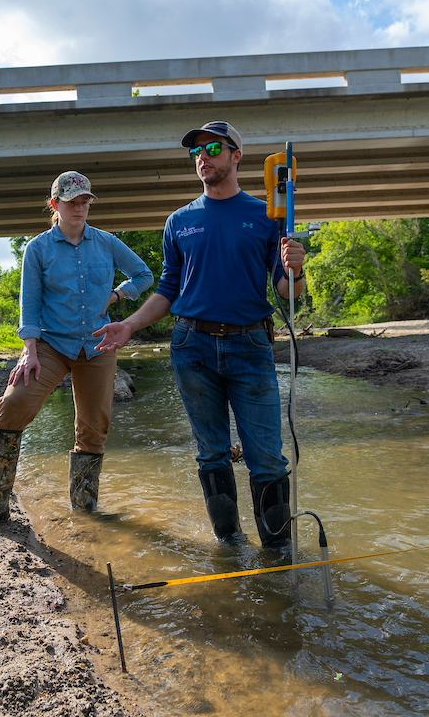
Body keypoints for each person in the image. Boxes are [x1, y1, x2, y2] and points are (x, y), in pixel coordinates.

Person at [94, 121, 306, 548]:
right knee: (211, 453)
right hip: (191, 347)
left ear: (235, 156)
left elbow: (288, 294)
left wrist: (296, 267)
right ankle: (230, 546)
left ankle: (278, 557)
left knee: (266, 457)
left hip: (250, 344)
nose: (202, 157)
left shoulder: (268, 217)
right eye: (196, 153)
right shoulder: (178, 222)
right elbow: (169, 290)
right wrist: (130, 324)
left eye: (212, 148)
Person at [0, 171, 153, 531]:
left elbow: (144, 275)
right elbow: (29, 303)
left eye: (84, 201)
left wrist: (117, 295)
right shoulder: (38, 248)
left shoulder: (107, 243)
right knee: (16, 402)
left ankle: (84, 511)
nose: (79, 208)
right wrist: (29, 351)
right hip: (50, 344)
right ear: (55, 205)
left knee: (94, 427)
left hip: (98, 346)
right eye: (71, 202)